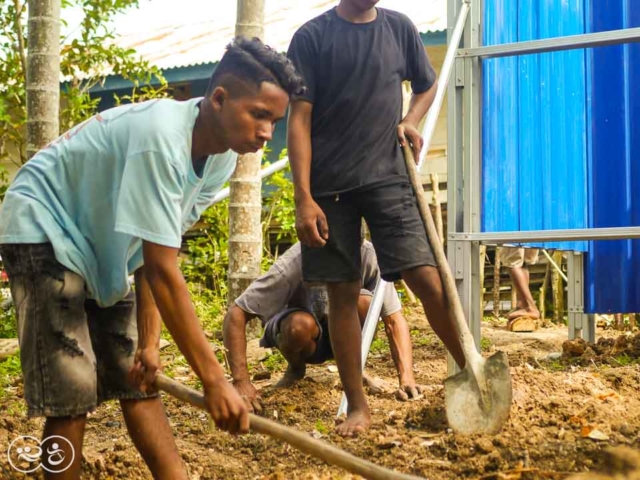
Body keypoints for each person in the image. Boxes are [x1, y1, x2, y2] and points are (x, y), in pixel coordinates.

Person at [0, 38, 304, 479]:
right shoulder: (162, 140)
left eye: (274, 120)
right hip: (42, 224)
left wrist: (148, 343)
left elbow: (154, 249)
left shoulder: (219, 156)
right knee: (73, 392)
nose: (265, 132)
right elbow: (164, 271)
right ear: (219, 99)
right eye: (258, 114)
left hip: (99, 248)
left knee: (137, 376)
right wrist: (215, 380)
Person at [286, 0, 466, 437]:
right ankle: (358, 408)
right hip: (329, 189)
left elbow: (426, 84)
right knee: (343, 294)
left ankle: (471, 371)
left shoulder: (399, 28)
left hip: (389, 177)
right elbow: (299, 120)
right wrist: (304, 196)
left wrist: (410, 119)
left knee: (427, 279)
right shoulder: (312, 37)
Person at [224, 240, 425, 412]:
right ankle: (296, 368)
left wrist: (406, 377)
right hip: (304, 336)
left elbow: (394, 320)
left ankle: (354, 369)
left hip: (347, 337)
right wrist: (241, 382)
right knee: (299, 326)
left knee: (363, 303)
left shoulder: (368, 255)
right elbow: (236, 314)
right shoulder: (296, 260)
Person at [500, 247, 541, 323]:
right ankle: (522, 305)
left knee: (512, 260)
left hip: (513, 235)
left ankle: (530, 308)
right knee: (522, 261)